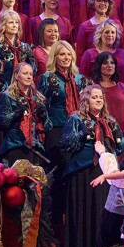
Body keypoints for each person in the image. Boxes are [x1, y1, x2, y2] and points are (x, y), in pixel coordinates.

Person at [61, 84, 124, 247]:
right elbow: (66, 144)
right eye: (94, 97)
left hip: (106, 172)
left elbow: (121, 149)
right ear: (86, 99)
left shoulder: (110, 121)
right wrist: (82, 136)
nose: (98, 100)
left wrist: (120, 140)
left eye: (100, 97)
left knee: (101, 211)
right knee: (84, 210)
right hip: (82, 172)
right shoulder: (76, 119)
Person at [38, 40, 86, 170]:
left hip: (76, 127)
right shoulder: (47, 77)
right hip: (56, 127)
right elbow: (40, 105)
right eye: (62, 54)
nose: (66, 58)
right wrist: (48, 95)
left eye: (69, 54)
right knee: (58, 167)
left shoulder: (78, 78)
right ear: (54, 57)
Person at [0, 62, 50, 162]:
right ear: (16, 75)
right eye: (25, 73)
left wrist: (44, 116)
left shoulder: (38, 98)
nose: (29, 77)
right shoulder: (8, 96)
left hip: (36, 148)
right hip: (15, 146)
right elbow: (0, 123)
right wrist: (16, 114)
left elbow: (48, 127)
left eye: (31, 74)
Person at [80, 19, 124, 85]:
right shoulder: (89, 54)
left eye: (113, 32)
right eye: (107, 32)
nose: (110, 35)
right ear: (100, 35)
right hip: (96, 92)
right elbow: (83, 77)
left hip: (120, 92)